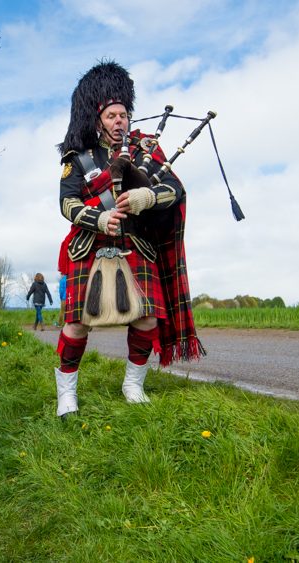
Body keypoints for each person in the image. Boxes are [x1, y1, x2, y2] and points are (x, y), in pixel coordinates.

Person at [53, 61, 203, 418]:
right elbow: (66, 203)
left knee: (147, 319)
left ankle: (133, 384)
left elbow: (175, 190)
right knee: (77, 322)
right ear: (97, 119)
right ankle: (66, 393)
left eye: (123, 114)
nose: (119, 120)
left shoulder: (145, 151)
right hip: (91, 245)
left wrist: (147, 198)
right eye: (112, 115)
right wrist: (100, 218)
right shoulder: (79, 159)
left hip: (136, 244)